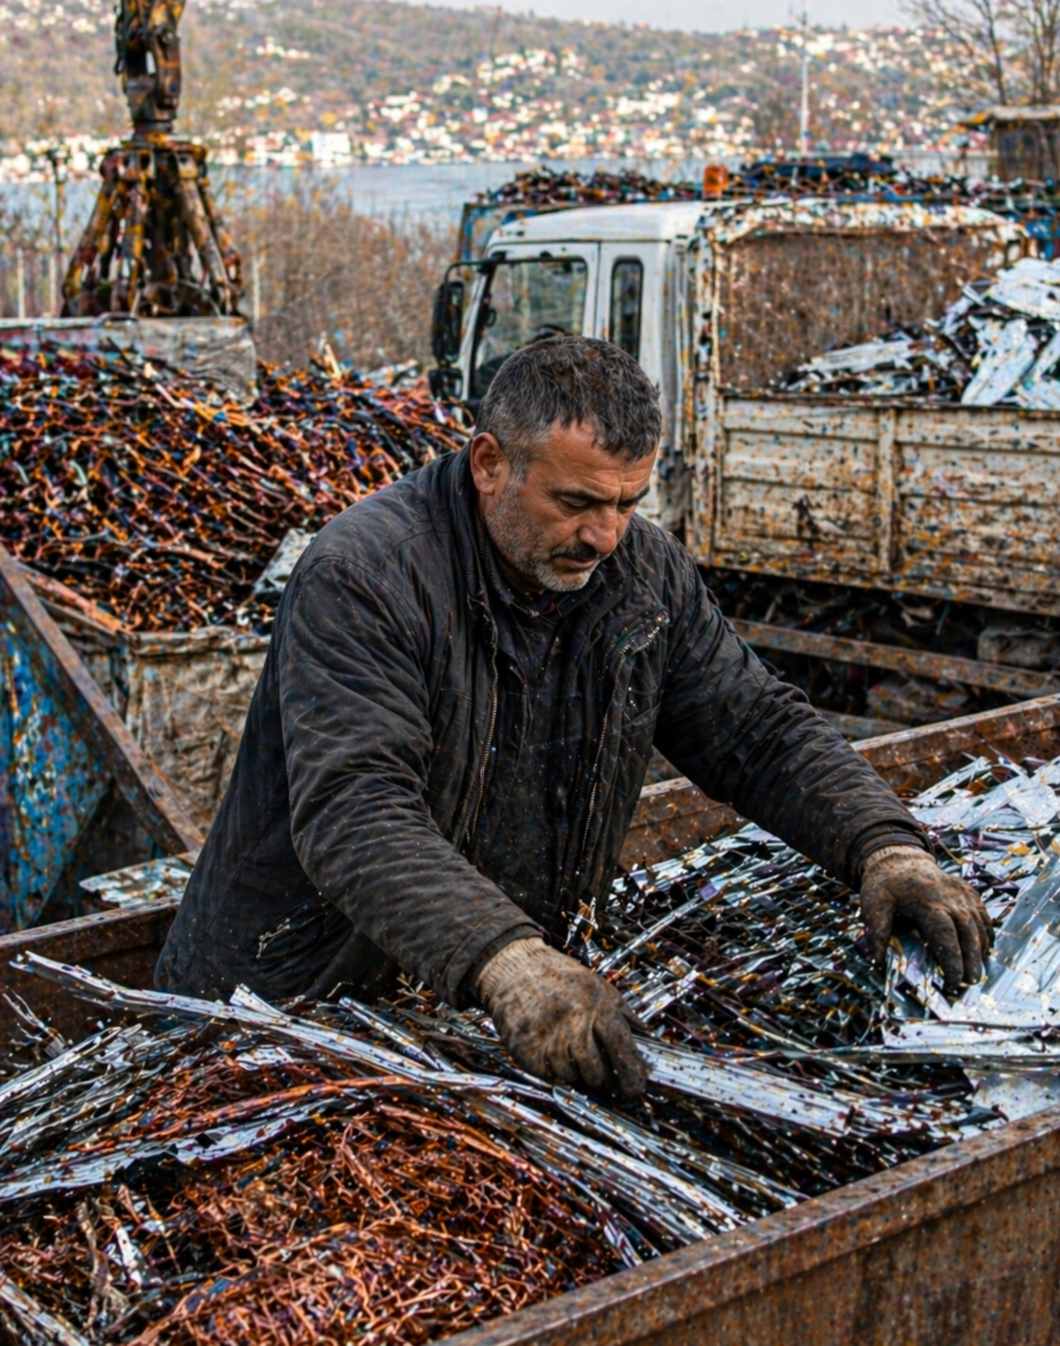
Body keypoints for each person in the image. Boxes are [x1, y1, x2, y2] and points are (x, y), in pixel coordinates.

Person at [157, 336, 993, 1098]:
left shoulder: (640, 573)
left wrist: (882, 844)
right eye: (577, 502)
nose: (604, 534)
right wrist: (504, 959)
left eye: (628, 501)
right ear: (489, 462)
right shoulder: (366, 575)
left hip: (462, 1010)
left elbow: (754, 728)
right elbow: (355, 810)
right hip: (287, 1004)